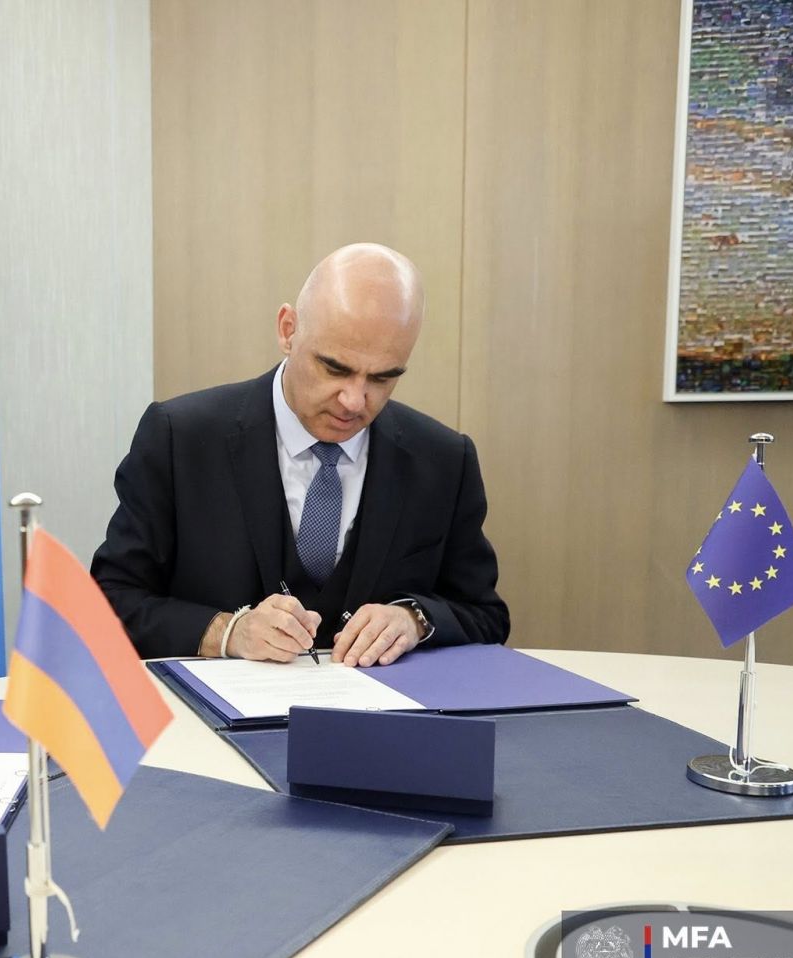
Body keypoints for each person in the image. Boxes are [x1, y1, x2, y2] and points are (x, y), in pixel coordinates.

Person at [92, 242, 508, 667]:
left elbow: (485, 615)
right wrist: (227, 632)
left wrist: (414, 619)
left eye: (382, 378)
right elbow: (109, 601)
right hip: (211, 709)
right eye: (335, 368)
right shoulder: (179, 438)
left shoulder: (443, 460)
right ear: (288, 330)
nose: (353, 400)